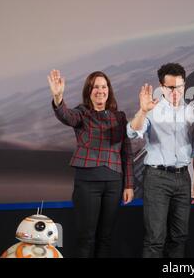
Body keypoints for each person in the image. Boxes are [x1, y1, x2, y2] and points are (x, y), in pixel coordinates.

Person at [47, 70, 134, 258]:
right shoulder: (82, 113)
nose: (100, 90)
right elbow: (66, 115)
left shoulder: (119, 117)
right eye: (95, 87)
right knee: (86, 238)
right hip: (87, 183)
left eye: (104, 87)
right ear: (89, 91)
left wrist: (128, 185)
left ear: (109, 91)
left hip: (114, 184)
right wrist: (58, 97)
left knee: (106, 238)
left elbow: (126, 153)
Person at [127, 63, 194, 258]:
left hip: (182, 178)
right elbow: (132, 131)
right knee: (156, 238)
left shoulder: (191, 112)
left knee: (180, 236)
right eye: (171, 87)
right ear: (162, 87)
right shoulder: (152, 109)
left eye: (179, 86)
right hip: (157, 179)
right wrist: (143, 111)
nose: (176, 91)